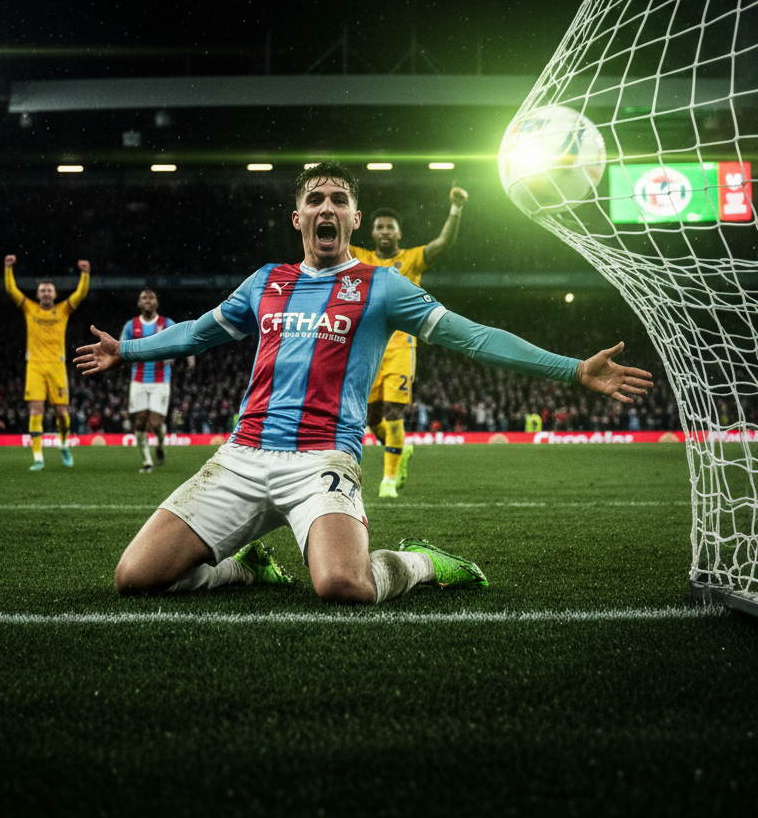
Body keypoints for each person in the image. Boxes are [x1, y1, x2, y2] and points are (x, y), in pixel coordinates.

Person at [74, 160, 653, 606]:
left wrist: (572, 369)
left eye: (340, 200)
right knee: (135, 579)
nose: (328, 207)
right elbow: (199, 334)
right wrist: (126, 350)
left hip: (322, 459)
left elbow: (473, 337)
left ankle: (422, 562)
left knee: (344, 588)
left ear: (353, 219)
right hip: (242, 455)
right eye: (315, 199)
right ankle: (243, 567)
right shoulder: (266, 281)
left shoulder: (382, 286)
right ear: (298, 218)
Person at [350, 188, 467, 498]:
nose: (385, 231)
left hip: (401, 346)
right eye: (379, 227)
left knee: (392, 412)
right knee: (372, 418)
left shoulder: (411, 259)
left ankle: (388, 480)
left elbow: (443, 244)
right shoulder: (360, 258)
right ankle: (401, 451)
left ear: (399, 232)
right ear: (372, 232)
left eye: (390, 227)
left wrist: (455, 208)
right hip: (367, 348)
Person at [4, 254, 90, 471]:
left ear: (55, 294)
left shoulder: (62, 310)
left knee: (62, 413)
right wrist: (8, 269)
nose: (45, 293)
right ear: (37, 294)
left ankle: (63, 444)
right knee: (35, 411)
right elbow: (12, 291)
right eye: (42, 290)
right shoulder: (29, 308)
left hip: (56, 366)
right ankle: (38, 457)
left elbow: (80, 294)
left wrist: (85, 274)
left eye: (49, 290)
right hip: (34, 365)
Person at [120, 288, 194, 472]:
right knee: (139, 423)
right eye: (143, 297)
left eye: (151, 297)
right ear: (138, 303)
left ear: (156, 303)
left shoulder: (166, 323)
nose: (147, 300)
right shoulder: (131, 325)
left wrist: (188, 357)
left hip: (161, 380)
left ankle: (160, 445)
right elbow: (120, 347)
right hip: (138, 381)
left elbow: (185, 338)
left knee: (155, 424)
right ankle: (147, 462)